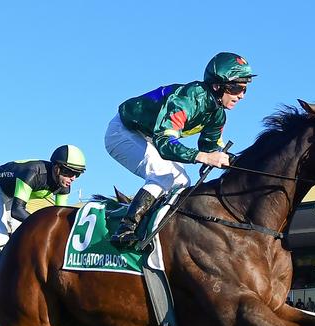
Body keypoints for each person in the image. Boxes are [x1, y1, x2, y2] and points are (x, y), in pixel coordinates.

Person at [105, 52, 255, 247]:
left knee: (183, 182)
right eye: (236, 88)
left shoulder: (218, 114)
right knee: (163, 174)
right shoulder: (187, 100)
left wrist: (239, 163)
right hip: (123, 131)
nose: (241, 95)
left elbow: (211, 147)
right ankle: (125, 229)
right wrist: (203, 157)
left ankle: (158, 233)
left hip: (150, 136)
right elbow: (165, 143)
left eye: (245, 89)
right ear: (217, 85)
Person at [0, 145, 86, 248]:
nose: (73, 178)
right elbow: (17, 211)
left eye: (77, 174)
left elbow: (60, 217)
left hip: (11, 193)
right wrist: (43, 225)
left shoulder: (64, 186)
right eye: (69, 172)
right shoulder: (33, 173)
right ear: (56, 168)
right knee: (0, 236)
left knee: (21, 234)